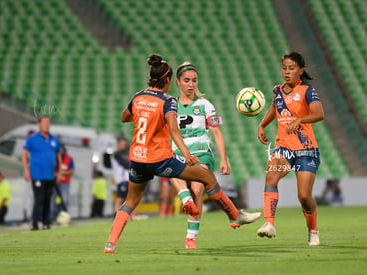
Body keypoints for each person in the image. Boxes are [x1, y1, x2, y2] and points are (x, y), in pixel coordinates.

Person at [104, 54, 260, 253]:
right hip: (160, 158)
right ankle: (233, 214)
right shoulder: (168, 101)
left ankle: (111, 243)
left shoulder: (138, 96)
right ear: (169, 81)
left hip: (136, 158)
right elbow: (174, 130)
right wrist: (186, 154)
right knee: (207, 177)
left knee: (131, 201)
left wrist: (144, 113)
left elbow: (124, 117)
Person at [256, 51, 324, 246]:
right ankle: (269, 223)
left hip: (306, 149)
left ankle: (313, 230)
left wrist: (300, 119)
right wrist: (262, 125)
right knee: (271, 176)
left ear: (301, 70)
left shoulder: (307, 90)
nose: (286, 72)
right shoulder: (278, 90)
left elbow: (319, 113)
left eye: (291, 68)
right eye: (284, 68)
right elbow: (274, 107)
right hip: (283, 147)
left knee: (304, 196)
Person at [169, 62, 231, 249]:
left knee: (198, 189)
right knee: (170, 169)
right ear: (178, 82)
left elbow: (217, 132)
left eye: (194, 80)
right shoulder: (170, 105)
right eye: (186, 80)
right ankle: (185, 198)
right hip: (179, 152)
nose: (191, 84)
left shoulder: (205, 105)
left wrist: (224, 159)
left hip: (201, 153)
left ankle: (190, 237)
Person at [22, 115, 62, 230]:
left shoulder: (54, 139)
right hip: (37, 174)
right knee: (38, 199)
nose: (46, 125)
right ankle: (34, 223)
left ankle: (46, 222)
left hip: (50, 175)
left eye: (48, 123)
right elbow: (24, 153)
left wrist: (59, 172)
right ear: (39, 124)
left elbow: (59, 156)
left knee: (48, 199)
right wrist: (26, 170)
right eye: (44, 123)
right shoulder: (32, 139)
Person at [52, 144, 74, 218]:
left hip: (64, 183)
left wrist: (62, 173)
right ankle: (50, 217)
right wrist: (56, 174)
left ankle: (63, 216)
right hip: (54, 182)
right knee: (52, 200)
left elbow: (71, 171)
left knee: (64, 200)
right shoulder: (53, 158)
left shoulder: (69, 158)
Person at [111, 137, 130, 214]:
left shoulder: (125, 154)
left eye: (124, 144)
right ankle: (116, 212)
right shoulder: (116, 154)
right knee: (120, 197)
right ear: (118, 144)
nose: (123, 146)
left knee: (126, 197)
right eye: (122, 144)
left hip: (126, 179)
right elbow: (125, 164)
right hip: (121, 179)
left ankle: (123, 213)